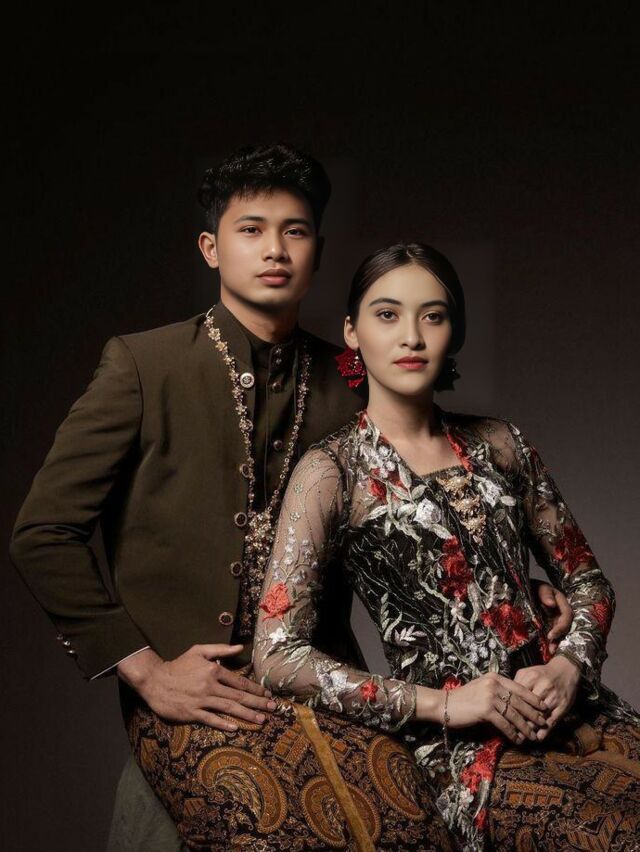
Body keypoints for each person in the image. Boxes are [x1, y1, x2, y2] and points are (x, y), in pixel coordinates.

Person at [10, 144, 571, 851]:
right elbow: (43, 534)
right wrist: (147, 672)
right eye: (251, 230)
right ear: (211, 249)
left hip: (325, 686)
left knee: (413, 831)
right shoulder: (145, 366)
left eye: (294, 231)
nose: (274, 249)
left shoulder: (352, 381)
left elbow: (422, 504)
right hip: (193, 696)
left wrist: (513, 584)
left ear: (317, 252)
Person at [253, 242, 640, 851]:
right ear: (352, 332)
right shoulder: (332, 473)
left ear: (453, 331)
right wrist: (447, 704)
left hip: (574, 709)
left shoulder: (501, 443)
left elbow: (589, 583)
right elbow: (276, 655)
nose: (412, 336)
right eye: (387, 315)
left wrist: (570, 667)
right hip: (465, 752)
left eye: (432, 316)